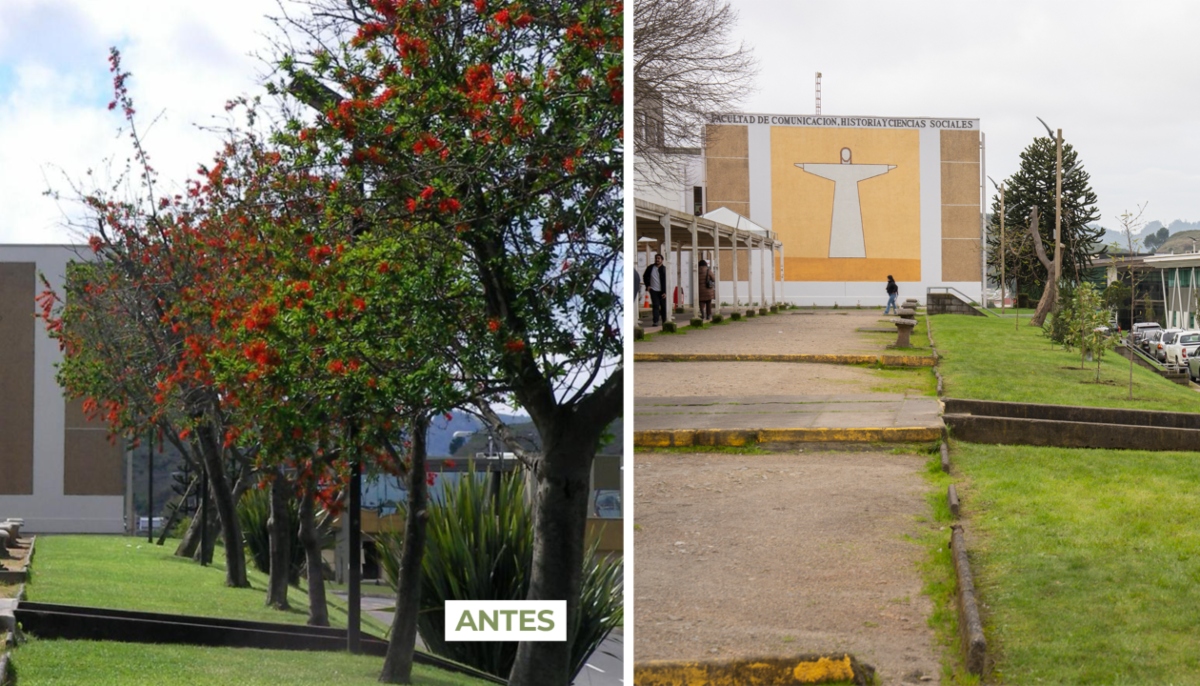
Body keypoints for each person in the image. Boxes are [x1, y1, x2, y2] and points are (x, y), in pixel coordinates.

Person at [643, 253, 667, 326]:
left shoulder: (664, 269)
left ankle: (664, 321)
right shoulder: (650, 268)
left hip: (662, 291)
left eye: (659, 258)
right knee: (655, 305)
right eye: (656, 258)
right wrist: (648, 285)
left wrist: (665, 292)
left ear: (662, 260)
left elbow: (666, 281)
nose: (657, 260)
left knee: (663, 306)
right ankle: (655, 321)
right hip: (653, 290)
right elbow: (645, 276)